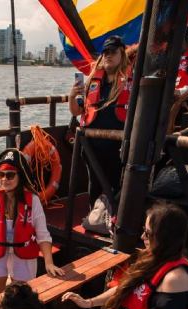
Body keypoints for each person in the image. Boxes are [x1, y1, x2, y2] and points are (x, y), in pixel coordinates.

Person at [0, 149, 64, 298]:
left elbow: (43, 235)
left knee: (22, 298)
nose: (4, 179)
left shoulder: (33, 202)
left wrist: (49, 263)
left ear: (20, 177)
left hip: (23, 257)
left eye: (10, 175)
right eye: (1, 175)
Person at [68, 34, 134, 207]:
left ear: (122, 53)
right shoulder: (92, 82)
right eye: (105, 52)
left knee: (116, 186)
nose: (108, 55)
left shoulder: (132, 82)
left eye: (112, 51)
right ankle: (94, 217)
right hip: (92, 145)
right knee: (95, 184)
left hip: (118, 146)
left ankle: (112, 221)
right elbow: (77, 111)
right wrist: (72, 96)